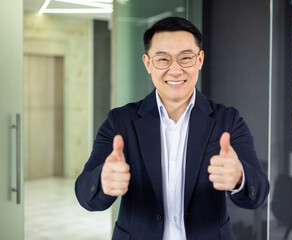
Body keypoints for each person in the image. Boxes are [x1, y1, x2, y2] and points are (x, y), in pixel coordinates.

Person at [75, 16, 269, 240]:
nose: (175, 70)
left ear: (200, 60)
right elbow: (84, 195)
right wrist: (102, 180)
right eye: (163, 59)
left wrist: (239, 178)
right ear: (148, 63)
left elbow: (259, 193)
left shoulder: (228, 120)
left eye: (185, 58)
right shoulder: (120, 121)